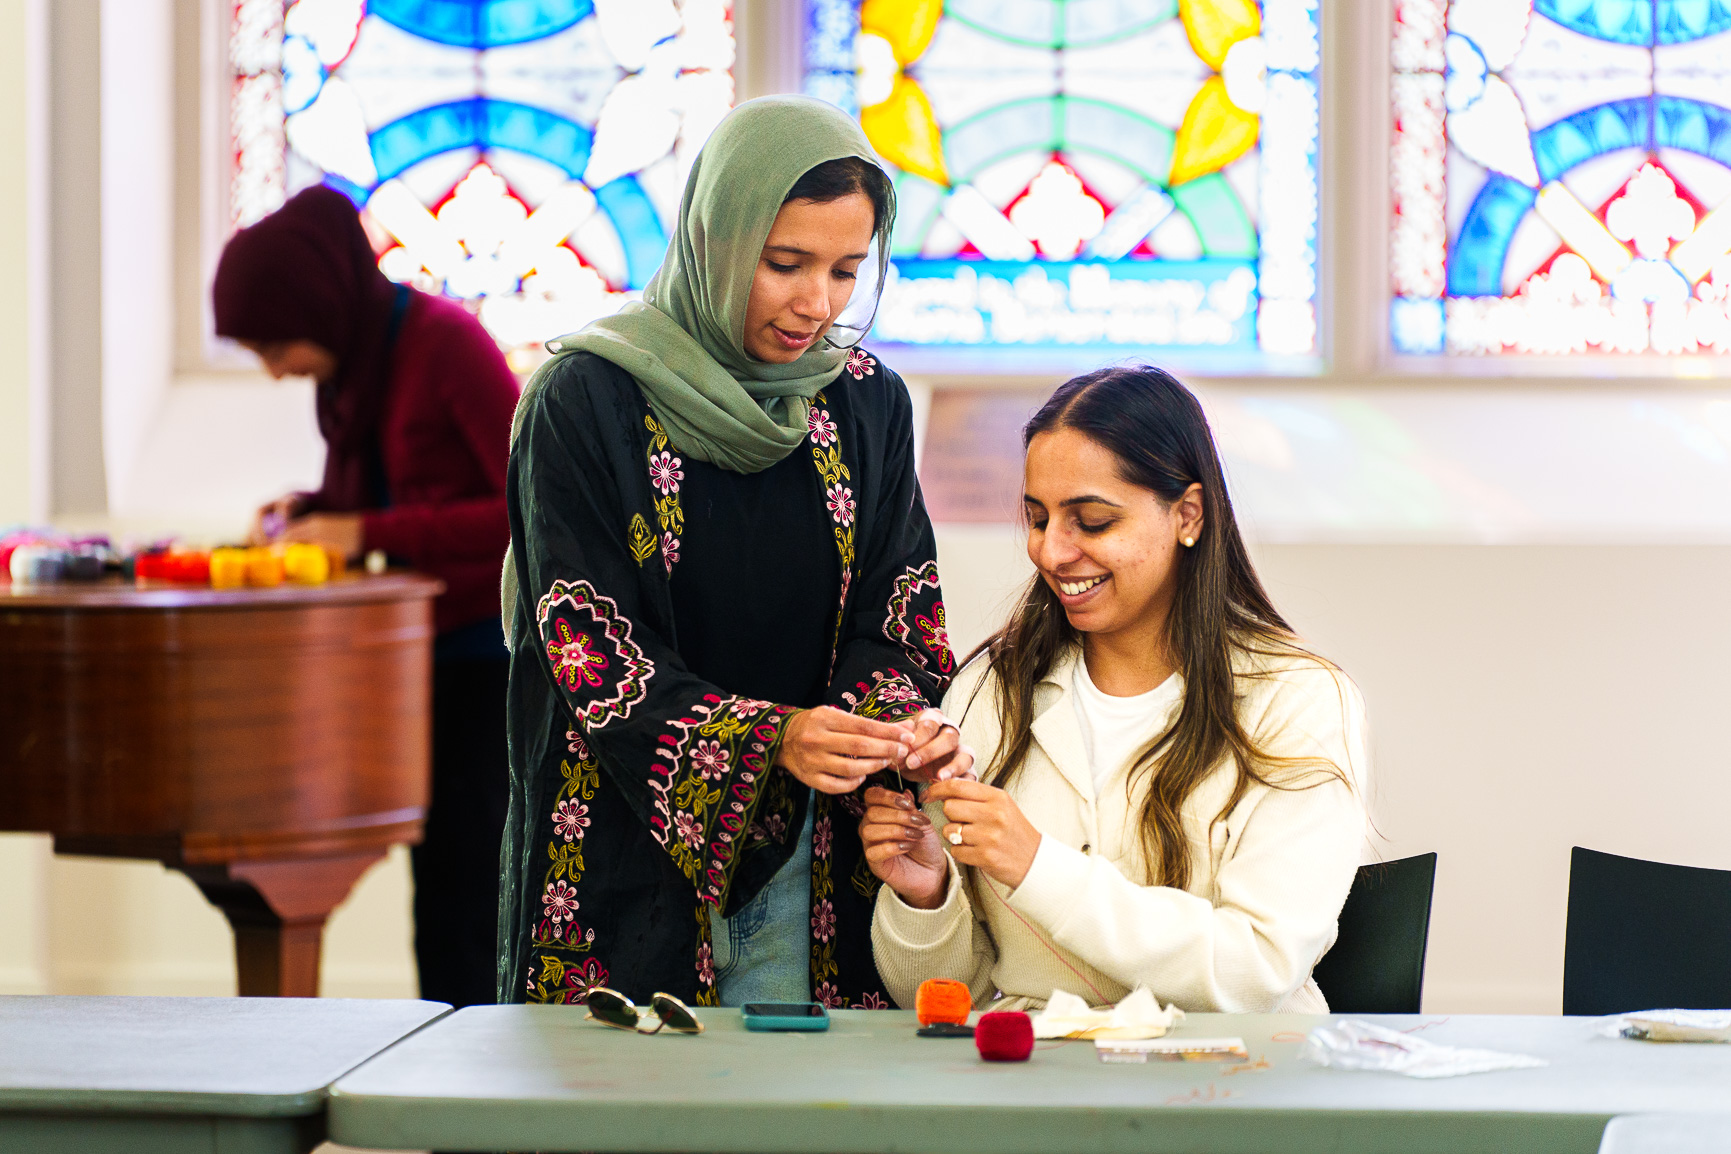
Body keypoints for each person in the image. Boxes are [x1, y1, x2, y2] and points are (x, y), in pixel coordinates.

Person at [499, 95, 967, 1010]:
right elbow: (591, 650)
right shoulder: (583, 401)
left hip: (821, 859)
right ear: (715, 239)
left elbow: (900, 613)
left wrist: (891, 728)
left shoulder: (866, 403)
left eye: (845, 269)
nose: (816, 305)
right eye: (783, 263)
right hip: (627, 851)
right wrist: (768, 740)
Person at [863, 366, 1369, 1014]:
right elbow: (946, 994)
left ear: (1187, 514)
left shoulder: (1295, 698)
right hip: (1038, 1088)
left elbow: (1257, 968)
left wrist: (1037, 868)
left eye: (1093, 522)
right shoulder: (991, 690)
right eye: (1036, 518)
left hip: (1225, 1083)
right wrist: (926, 894)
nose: (1050, 552)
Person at [212, 186, 520, 1007]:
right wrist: (314, 512)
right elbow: (385, 485)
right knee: (439, 897)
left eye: (277, 346)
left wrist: (365, 530)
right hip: (408, 662)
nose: (277, 371)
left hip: (480, 662)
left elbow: (529, 510)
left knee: (467, 893)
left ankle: (479, 1107)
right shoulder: (354, 366)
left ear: (320, 304)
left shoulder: (446, 345)